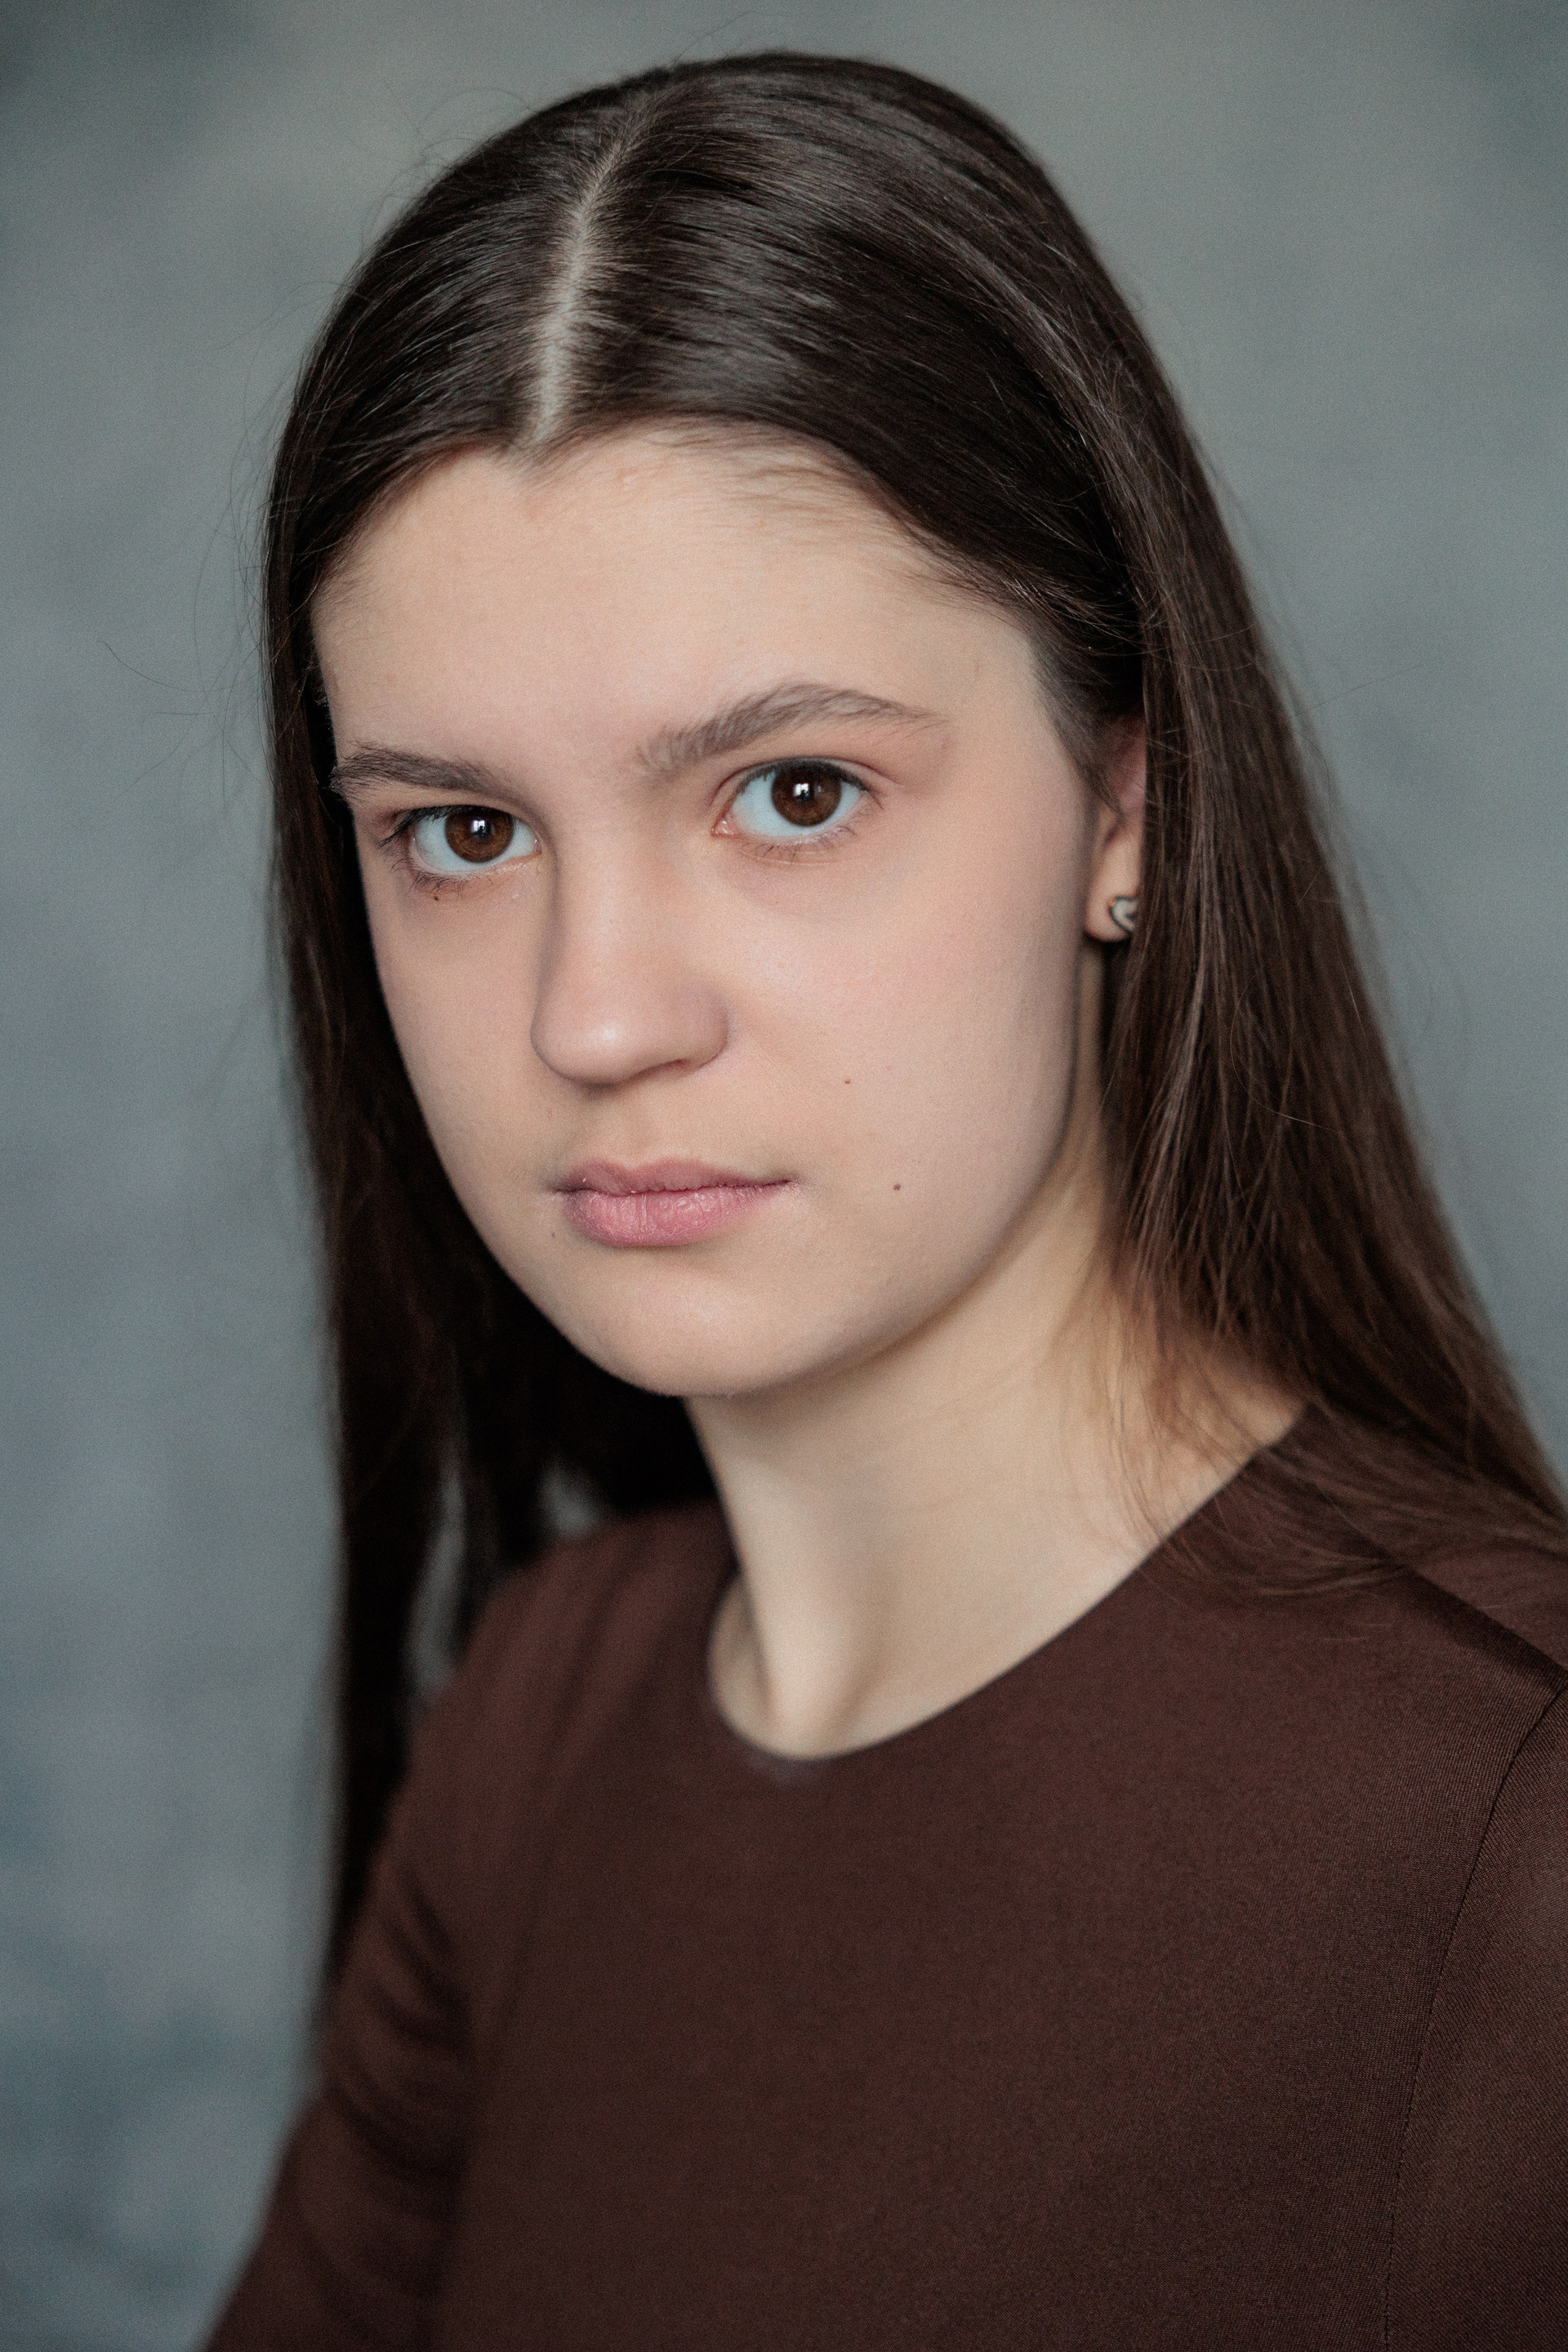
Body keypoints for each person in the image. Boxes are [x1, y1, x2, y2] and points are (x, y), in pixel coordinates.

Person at [207, 51, 1568, 2350]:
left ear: (1123, 807)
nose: (597, 1014)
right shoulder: (540, 1721)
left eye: (795, 793)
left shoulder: (1513, 1832)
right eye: (463, 831)